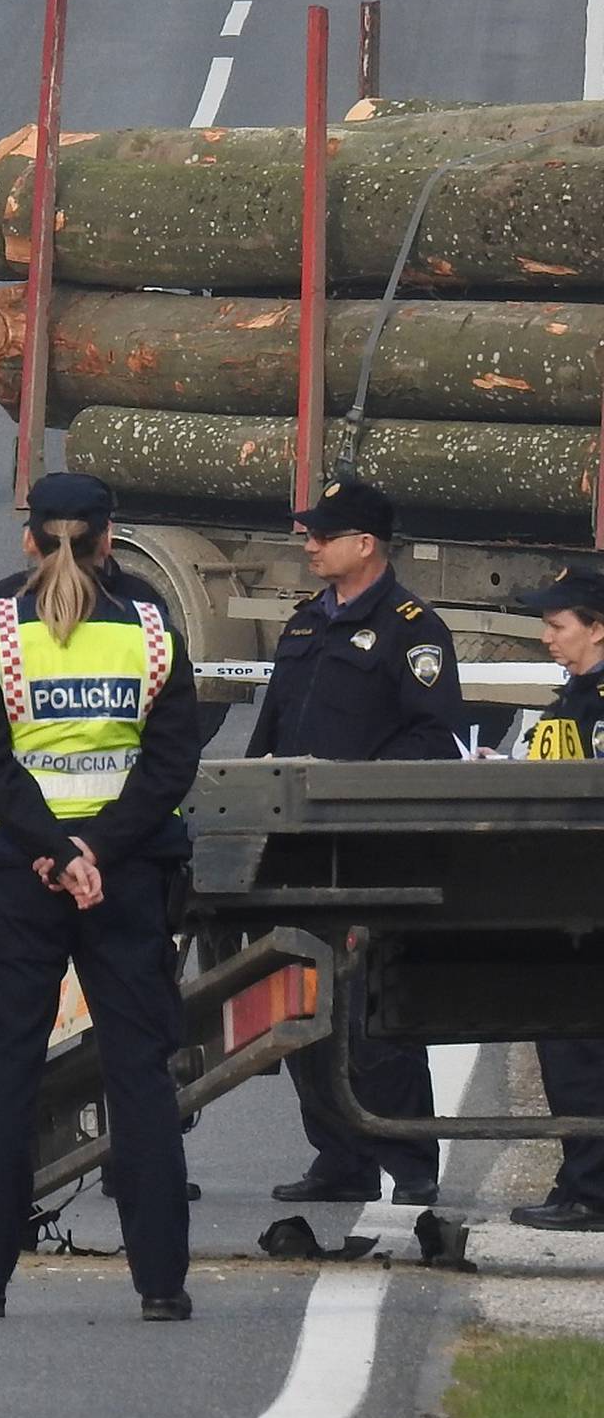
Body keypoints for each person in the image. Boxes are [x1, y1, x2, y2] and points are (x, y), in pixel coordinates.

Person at [0, 472, 202, 1321]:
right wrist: (97, 849)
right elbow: (171, 762)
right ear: (109, 535)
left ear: (30, 537)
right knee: (140, 1077)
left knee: (7, 1075)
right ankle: (161, 1284)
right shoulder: (156, 627)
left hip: (26, 873)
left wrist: (54, 850)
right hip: (124, 874)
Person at [250, 477, 461, 1208]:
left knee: (375, 1014)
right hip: (296, 847)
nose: (307, 544)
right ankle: (339, 1159)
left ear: (364, 544)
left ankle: (409, 1161)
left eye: (321, 534)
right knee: (300, 1005)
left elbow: (433, 741)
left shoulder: (413, 630)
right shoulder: (306, 622)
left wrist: (362, 795)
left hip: (368, 849)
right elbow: (272, 728)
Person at [506, 564, 604, 1231]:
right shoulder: (574, 696)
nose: (546, 636)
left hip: (589, 899)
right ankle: (580, 1180)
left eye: (558, 624)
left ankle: (593, 1192)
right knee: (569, 1046)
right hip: (567, 895)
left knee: (582, 1047)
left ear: (598, 629)